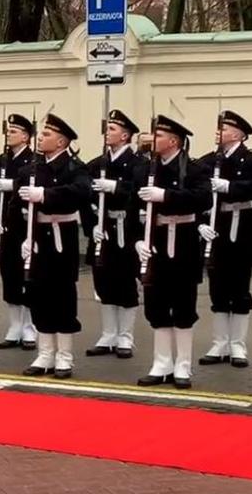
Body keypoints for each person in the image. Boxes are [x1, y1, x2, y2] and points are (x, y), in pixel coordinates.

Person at [134, 115, 211, 389]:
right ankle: (162, 362)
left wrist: (165, 196)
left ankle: (183, 365)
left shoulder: (194, 168)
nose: (152, 140)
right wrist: (137, 241)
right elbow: (133, 205)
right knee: (156, 303)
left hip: (184, 240)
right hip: (154, 238)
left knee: (182, 304)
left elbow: (203, 198)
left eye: (158, 136)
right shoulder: (146, 168)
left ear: (174, 141)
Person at [13, 114, 90, 379]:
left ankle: (65, 356)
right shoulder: (30, 170)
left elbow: (81, 192)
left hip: (62, 236)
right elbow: (16, 205)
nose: (40, 139)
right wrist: (22, 236)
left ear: (61, 141)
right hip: (36, 236)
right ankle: (45, 353)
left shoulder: (74, 167)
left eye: (46, 135)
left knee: (62, 294)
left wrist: (46, 195)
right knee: (38, 294)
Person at [195, 111, 252, 368]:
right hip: (216, 226)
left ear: (238, 134)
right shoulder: (207, 161)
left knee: (239, 288)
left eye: (223, 128)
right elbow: (197, 193)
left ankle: (238, 345)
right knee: (218, 288)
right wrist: (201, 222)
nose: (218, 132)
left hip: (242, 226)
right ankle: (220, 342)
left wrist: (228, 187)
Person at [82, 110, 144, 359]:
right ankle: (109, 334)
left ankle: (125, 337)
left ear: (126, 135)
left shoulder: (138, 164)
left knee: (126, 283)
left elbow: (140, 192)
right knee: (104, 283)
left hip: (126, 229)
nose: (108, 133)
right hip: (104, 228)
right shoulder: (97, 164)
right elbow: (84, 195)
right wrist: (91, 225)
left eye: (113, 129)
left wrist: (117, 187)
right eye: (107, 129)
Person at [0, 113, 36, 351]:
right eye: (8, 130)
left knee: (28, 278)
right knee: (10, 277)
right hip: (4, 229)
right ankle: (15, 326)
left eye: (14, 131)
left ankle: (30, 327)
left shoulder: (35, 162)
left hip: (27, 228)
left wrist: (14, 185)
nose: (9, 134)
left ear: (25, 136)